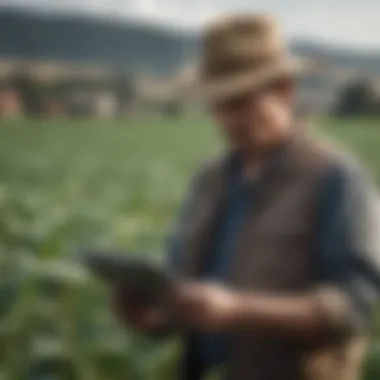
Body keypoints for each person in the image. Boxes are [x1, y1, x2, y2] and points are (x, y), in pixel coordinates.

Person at [111, 15, 379, 380]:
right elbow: (182, 291)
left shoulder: (336, 179)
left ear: (285, 90)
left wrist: (240, 310)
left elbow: (353, 306)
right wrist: (151, 317)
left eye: (240, 103)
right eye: (219, 105)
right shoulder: (210, 179)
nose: (227, 120)